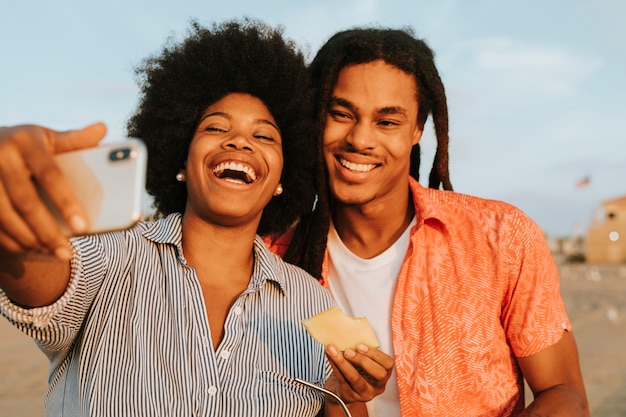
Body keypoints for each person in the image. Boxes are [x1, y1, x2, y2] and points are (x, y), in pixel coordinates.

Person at [0, 20, 393, 416]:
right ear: (181, 162)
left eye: (264, 136)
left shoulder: (311, 303)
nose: (239, 140)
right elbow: (36, 275)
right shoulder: (110, 257)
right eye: (216, 127)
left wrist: (345, 396)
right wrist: (9, 208)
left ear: (281, 179)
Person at [268, 27, 590, 416]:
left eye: (387, 122)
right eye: (341, 114)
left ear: (417, 130)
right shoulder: (272, 257)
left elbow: (564, 392)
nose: (360, 139)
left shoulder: (501, 237)